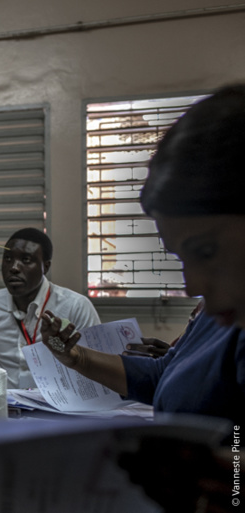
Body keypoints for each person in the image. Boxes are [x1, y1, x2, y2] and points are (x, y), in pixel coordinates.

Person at [40, 84, 245, 513]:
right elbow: (164, 376)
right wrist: (76, 357)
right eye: (182, 258)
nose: (192, 284)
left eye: (206, 251)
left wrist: (234, 484)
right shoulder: (220, 311)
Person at [0, 228, 100, 388]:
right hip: (6, 401)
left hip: (58, 402)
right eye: (8, 259)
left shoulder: (76, 307)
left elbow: (96, 369)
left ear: (45, 267)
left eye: (26, 260)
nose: (14, 267)